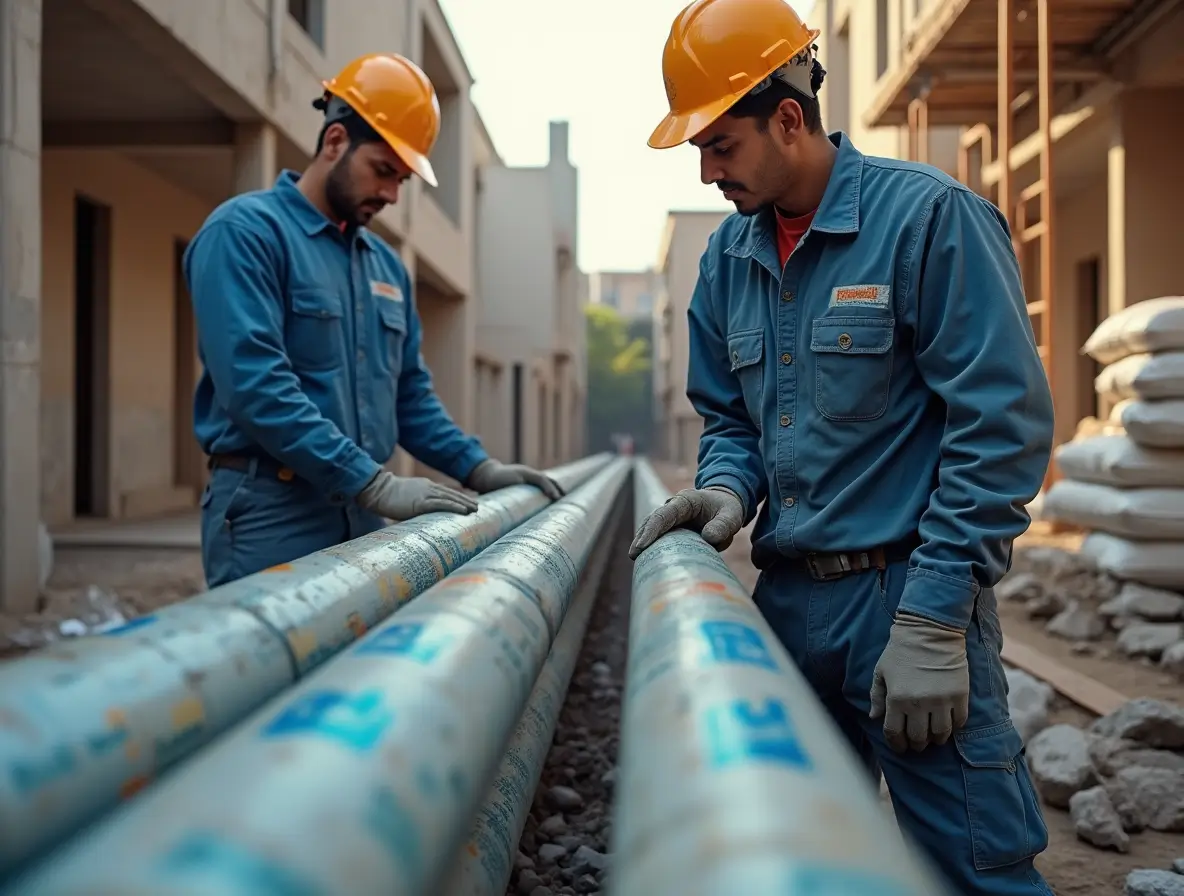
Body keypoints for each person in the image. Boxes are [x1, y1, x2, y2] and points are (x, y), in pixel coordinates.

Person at [629, 2, 1056, 893]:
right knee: (805, 865)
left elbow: (1001, 427)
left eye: (719, 145)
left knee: (977, 870)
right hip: (789, 606)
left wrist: (936, 615)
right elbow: (733, 423)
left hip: (906, 597)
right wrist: (726, 492)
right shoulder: (726, 262)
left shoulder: (929, 221)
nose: (706, 173)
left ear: (789, 116)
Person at [186, 53, 562, 588]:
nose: (391, 194)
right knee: (270, 663)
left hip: (360, 509)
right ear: (335, 141)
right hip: (270, 508)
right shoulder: (245, 234)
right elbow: (255, 386)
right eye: (383, 170)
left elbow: (409, 394)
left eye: (403, 179)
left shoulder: (384, 266)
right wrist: (373, 483)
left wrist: (476, 466)